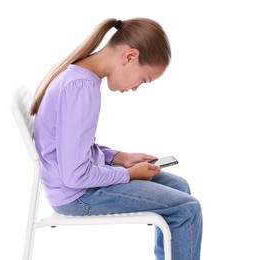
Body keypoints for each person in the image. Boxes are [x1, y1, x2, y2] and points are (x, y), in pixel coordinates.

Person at [31, 17, 202, 260]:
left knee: (179, 187)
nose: (135, 88)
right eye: (143, 80)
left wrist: (120, 157)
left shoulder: (81, 78)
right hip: (77, 195)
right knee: (188, 209)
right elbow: (75, 175)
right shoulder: (81, 88)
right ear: (130, 56)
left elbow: (73, 146)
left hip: (75, 184)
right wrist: (129, 174)